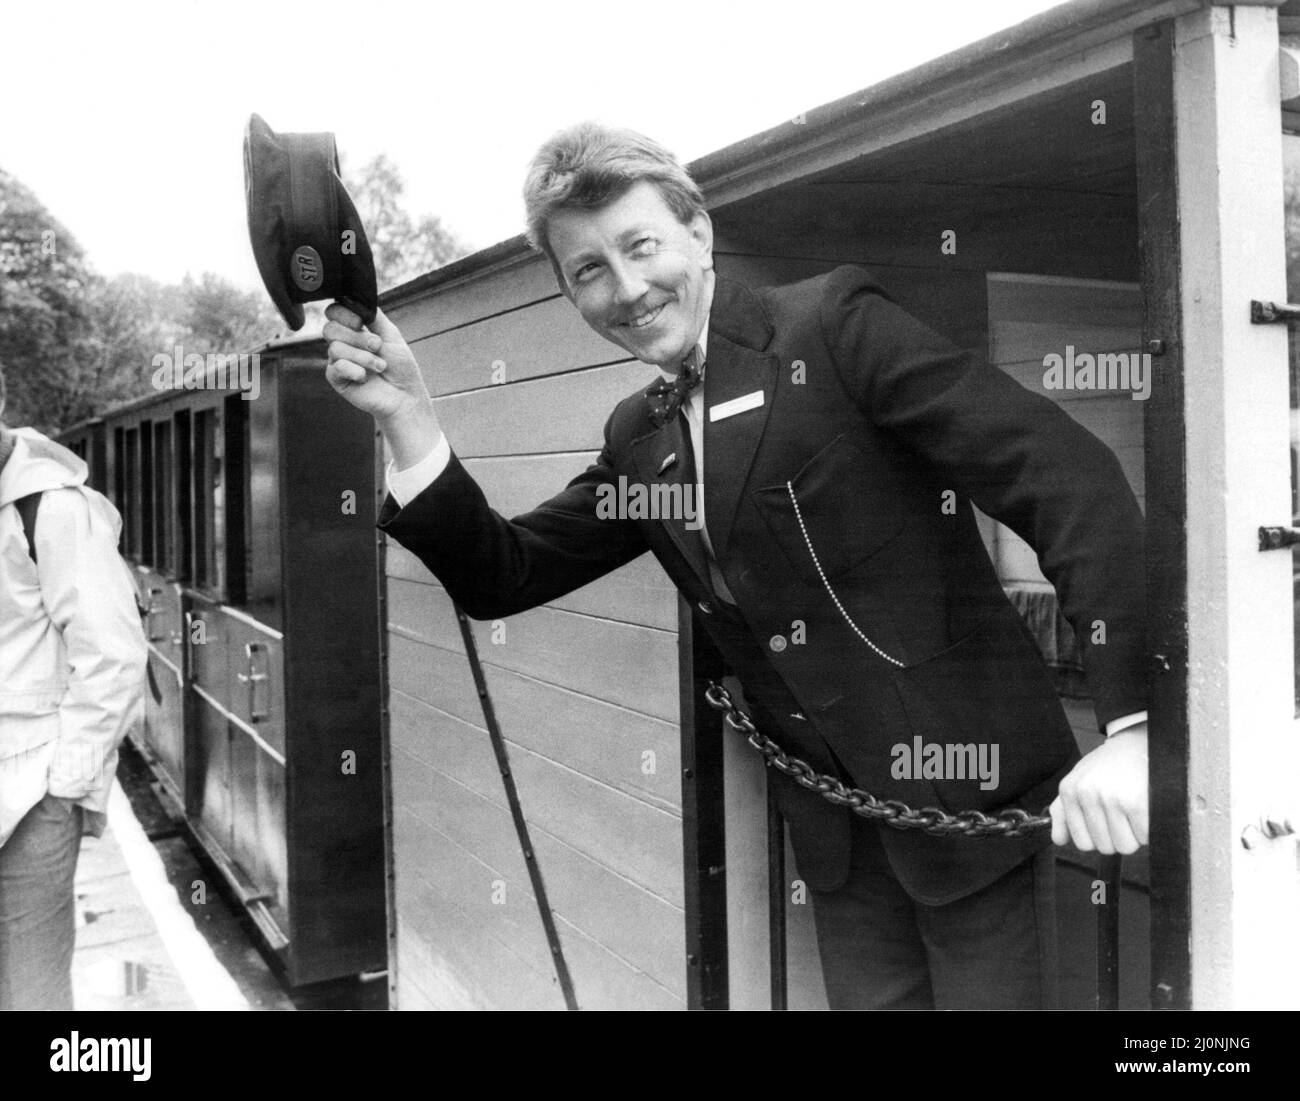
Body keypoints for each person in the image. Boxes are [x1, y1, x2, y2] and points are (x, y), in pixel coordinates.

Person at [323, 122, 1150, 1010]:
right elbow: (506, 572)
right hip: (841, 837)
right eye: (589, 270)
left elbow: (1065, 477)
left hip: (977, 803)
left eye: (640, 246)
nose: (629, 289)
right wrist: (407, 416)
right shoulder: (638, 440)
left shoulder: (831, 328)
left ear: (700, 232)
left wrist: (1137, 726)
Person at [0, 363, 147, 1011]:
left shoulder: (52, 508)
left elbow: (114, 659)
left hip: (29, 799)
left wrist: (64, 788)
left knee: (31, 998)